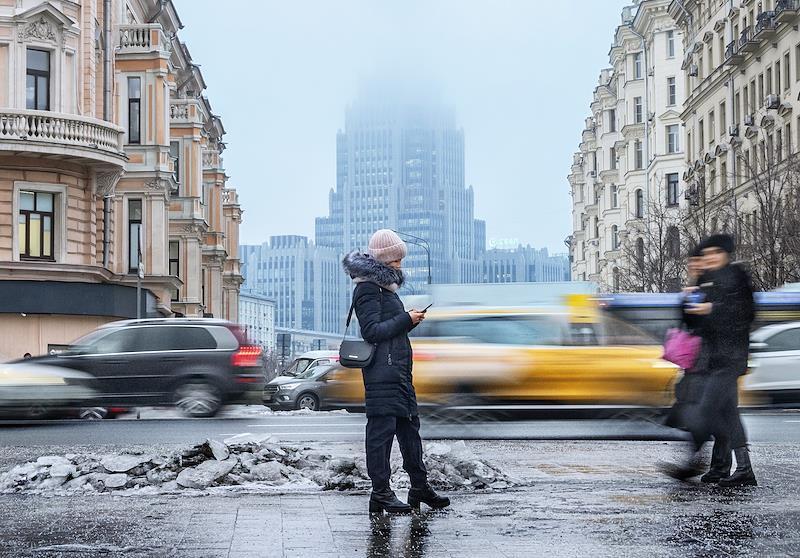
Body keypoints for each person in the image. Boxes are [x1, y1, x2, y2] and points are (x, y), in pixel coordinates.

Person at [342, 229, 450, 514]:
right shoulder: (367, 288)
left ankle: (419, 487)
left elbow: (390, 330)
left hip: (398, 372)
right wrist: (405, 319)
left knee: (410, 430)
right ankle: (380, 493)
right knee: (381, 434)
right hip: (382, 373)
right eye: (396, 260)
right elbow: (372, 331)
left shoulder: (385, 289)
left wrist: (409, 321)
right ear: (383, 259)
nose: (400, 264)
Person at [664, 234, 757, 487]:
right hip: (710, 358)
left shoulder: (737, 277)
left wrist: (712, 309)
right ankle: (733, 468)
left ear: (726, 254)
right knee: (726, 412)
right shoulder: (705, 280)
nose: (711, 258)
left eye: (716, 252)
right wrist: (689, 298)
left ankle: (697, 464)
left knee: (706, 410)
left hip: (730, 357)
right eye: (707, 254)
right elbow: (692, 322)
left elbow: (745, 314)